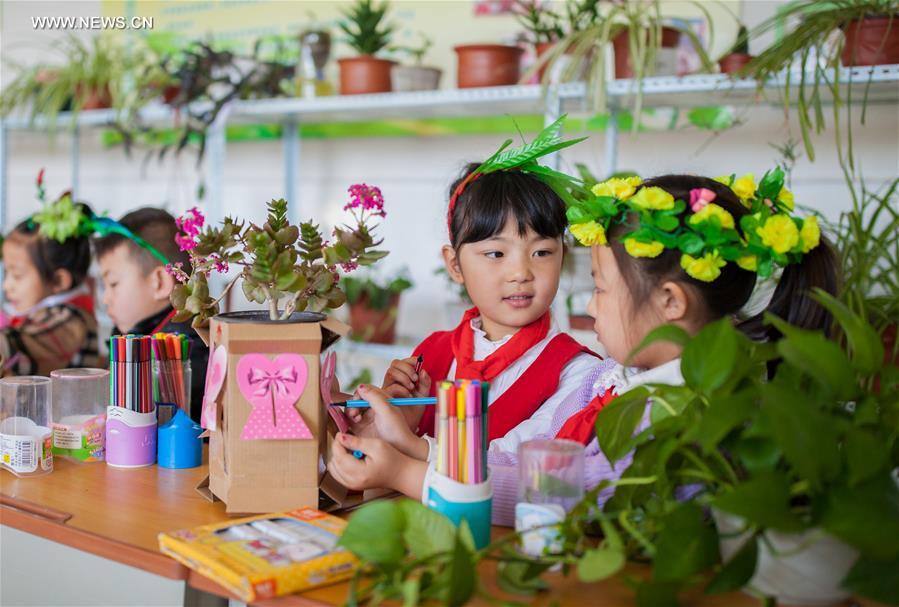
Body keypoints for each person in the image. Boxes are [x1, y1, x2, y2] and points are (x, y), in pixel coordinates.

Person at [329, 169, 838, 526]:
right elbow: (521, 455)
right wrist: (408, 443)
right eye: (495, 252)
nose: (589, 310)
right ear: (455, 263)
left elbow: (561, 494)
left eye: (599, 288)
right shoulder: (611, 382)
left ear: (669, 301)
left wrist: (404, 469)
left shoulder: (684, 414)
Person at [94, 208, 208, 420]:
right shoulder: (140, 338)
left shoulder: (183, 355)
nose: (105, 298)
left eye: (113, 284)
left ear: (160, 282)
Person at [1, 193, 100, 376]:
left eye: (17, 275)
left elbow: (23, 346)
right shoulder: (43, 313)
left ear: (59, 280)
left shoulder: (71, 320)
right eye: (7, 274)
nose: (7, 286)